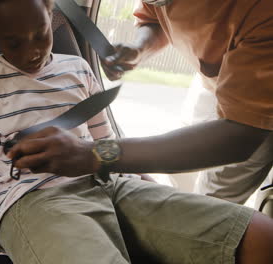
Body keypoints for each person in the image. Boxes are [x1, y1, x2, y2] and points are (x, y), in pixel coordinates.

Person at [0, 0, 273, 263]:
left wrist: (147, 186)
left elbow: (107, 147)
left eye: (40, 34)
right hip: (33, 199)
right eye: (13, 42)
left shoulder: (78, 70)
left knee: (260, 236)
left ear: (54, 16)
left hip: (111, 186)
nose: (32, 51)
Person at [105, 0, 273, 204]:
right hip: (211, 81)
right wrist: (139, 48)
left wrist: (100, 155)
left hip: (258, 104)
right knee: (180, 180)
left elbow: (239, 137)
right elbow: (155, 17)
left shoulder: (262, 10)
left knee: (213, 202)